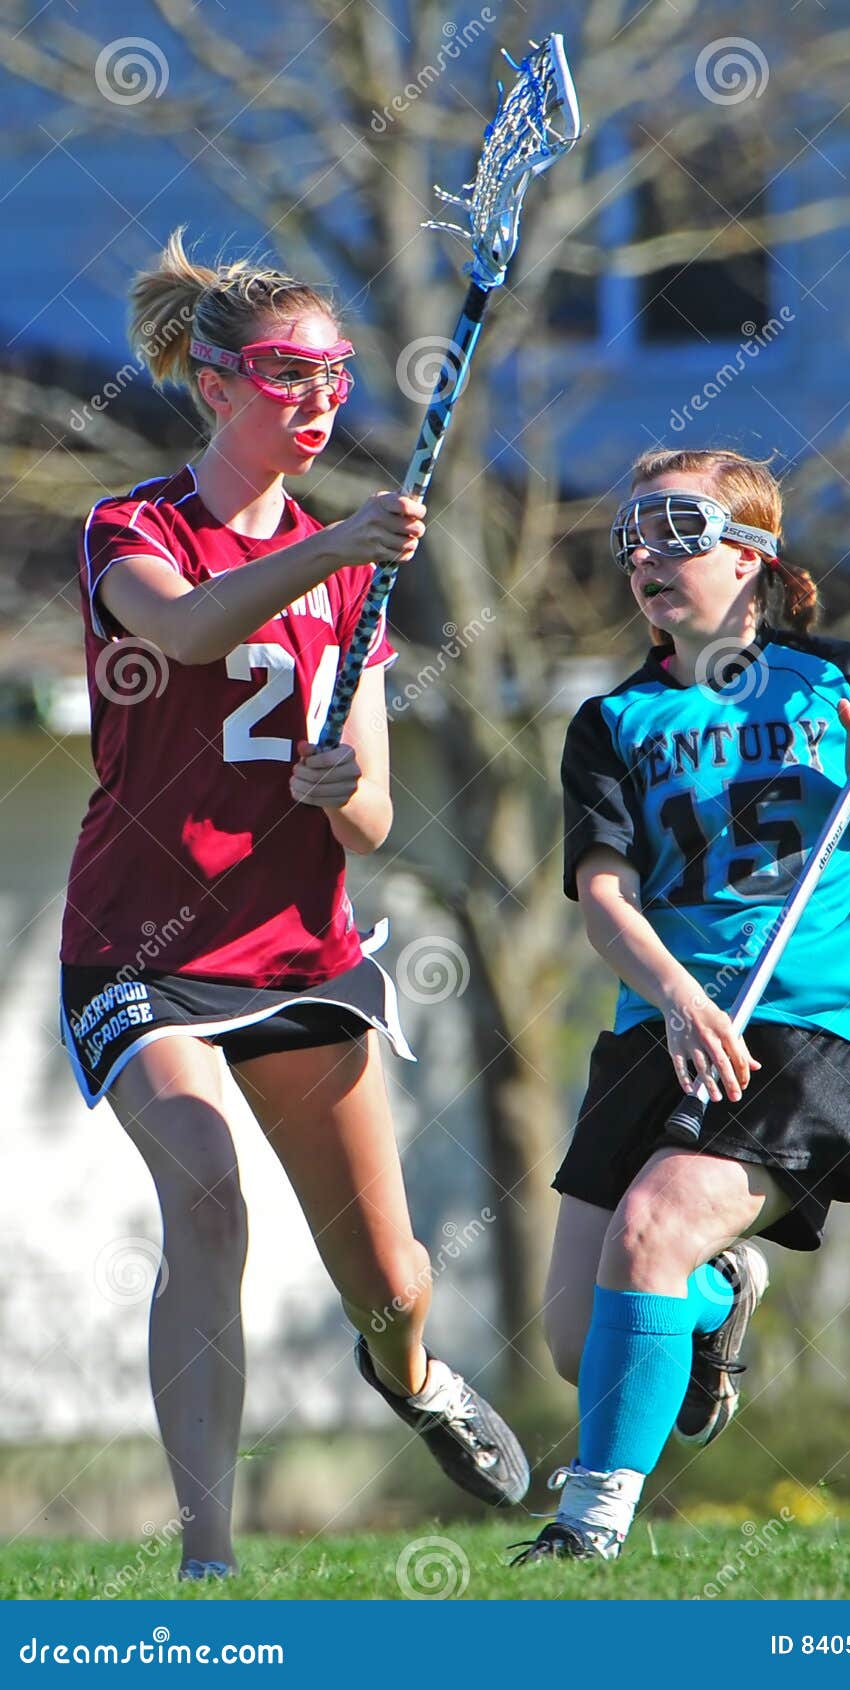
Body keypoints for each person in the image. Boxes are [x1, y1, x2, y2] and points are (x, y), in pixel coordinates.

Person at [59, 229, 528, 1581]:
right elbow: (193, 628)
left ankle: (417, 1372)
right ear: (213, 384)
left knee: (387, 1280)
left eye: (334, 373)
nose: (318, 398)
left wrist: (339, 783)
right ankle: (209, 1568)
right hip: (139, 949)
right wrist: (334, 550)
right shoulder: (132, 531)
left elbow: (374, 813)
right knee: (205, 1196)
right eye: (285, 374)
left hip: (300, 956)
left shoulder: (349, 581)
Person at [513, 447, 850, 1563]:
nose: (645, 557)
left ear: (753, 555)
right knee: (579, 1340)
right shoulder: (611, 722)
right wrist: (671, 995)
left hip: (813, 1024)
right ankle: (713, 1304)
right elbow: (603, 897)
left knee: (652, 1226)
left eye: (677, 529)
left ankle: (588, 1525)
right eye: (632, 538)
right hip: (661, 1027)